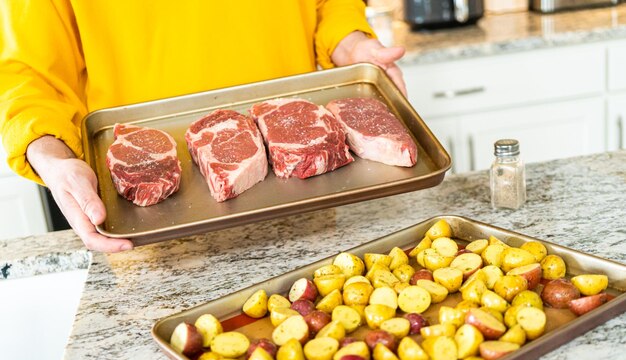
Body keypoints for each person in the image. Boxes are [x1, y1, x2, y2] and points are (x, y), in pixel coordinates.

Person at [0, 1, 407, 253]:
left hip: (306, 197)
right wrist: (50, 156)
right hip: (157, 232)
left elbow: (326, 3)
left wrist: (348, 40)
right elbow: (27, 74)